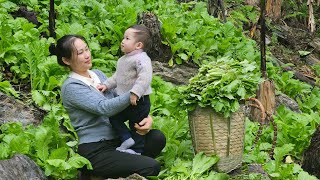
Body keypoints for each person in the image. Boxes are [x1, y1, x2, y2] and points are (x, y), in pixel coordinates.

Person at [50, 34, 166, 178]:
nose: (87, 55)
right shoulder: (71, 87)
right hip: (97, 150)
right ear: (66, 60)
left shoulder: (97, 75)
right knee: (152, 166)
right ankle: (95, 174)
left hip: (119, 140)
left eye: (87, 49)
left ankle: (122, 168)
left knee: (157, 138)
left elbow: (119, 100)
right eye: (80, 53)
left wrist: (145, 117)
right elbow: (104, 108)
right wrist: (136, 89)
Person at [97, 24, 152, 155]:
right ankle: (126, 139)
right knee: (114, 117)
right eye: (123, 37)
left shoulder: (141, 59)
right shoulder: (123, 59)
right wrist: (106, 85)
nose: (122, 41)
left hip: (139, 101)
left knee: (137, 125)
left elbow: (145, 77)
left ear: (138, 45)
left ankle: (136, 150)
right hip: (124, 101)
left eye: (127, 38)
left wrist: (135, 92)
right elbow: (118, 77)